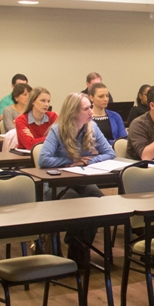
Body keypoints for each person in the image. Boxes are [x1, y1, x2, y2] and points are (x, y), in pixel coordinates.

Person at [39, 92, 114, 262]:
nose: (91, 112)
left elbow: (110, 152)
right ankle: (75, 245)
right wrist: (70, 161)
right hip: (55, 184)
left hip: (81, 179)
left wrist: (88, 161)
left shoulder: (92, 127)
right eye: (86, 109)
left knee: (99, 201)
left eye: (90, 108)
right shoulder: (57, 130)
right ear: (73, 112)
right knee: (75, 202)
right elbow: (43, 159)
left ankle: (78, 245)